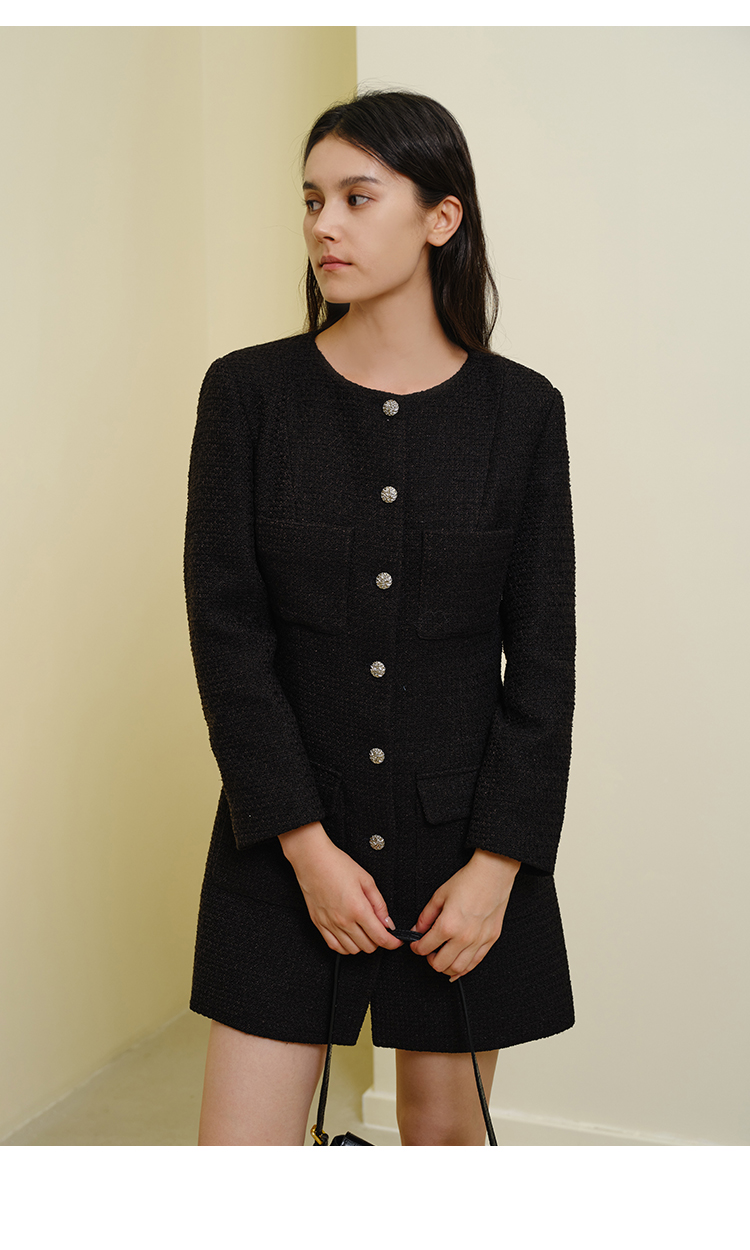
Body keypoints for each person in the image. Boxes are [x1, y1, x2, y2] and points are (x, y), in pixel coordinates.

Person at [184, 90, 575, 1147]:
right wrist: (306, 848)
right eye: (313, 200)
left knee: (445, 1158)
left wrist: (498, 868)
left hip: (462, 859)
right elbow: (228, 639)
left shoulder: (522, 413)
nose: (325, 225)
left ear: (442, 217)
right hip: (283, 845)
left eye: (358, 198)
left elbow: (543, 666)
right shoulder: (248, 396)